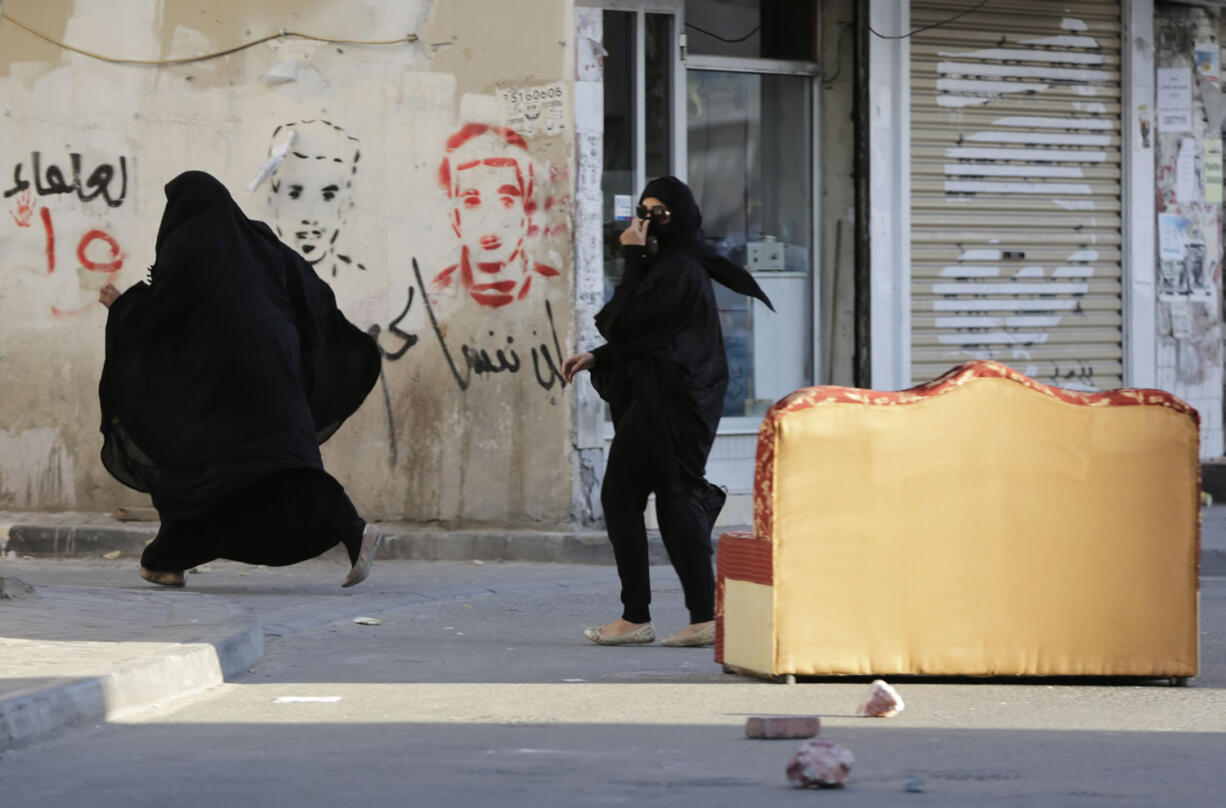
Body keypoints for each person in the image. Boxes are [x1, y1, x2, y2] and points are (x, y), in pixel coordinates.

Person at [97, 170, 383, 588]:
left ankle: (171, 557)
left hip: (217, 391)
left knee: (194, 466)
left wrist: (122, 307)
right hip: (274, 378)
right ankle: (169, 557)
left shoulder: (187, 243)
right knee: (267, 468)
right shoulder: (261, 243)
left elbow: (164, 315)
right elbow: (309, 290)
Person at [562, 176, 773, 647]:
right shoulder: (668, 265)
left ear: (682, 217)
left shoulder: (679, 268)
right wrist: (599, 355)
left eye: (661, 212)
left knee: (662, 498)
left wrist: (632, 258)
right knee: (645, 499)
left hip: (675, 402)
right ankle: (657, 615)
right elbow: (638, 331)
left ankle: (678, 616)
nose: (649, 221)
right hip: (661, 398)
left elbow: (628, 321)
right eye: (644, 210)